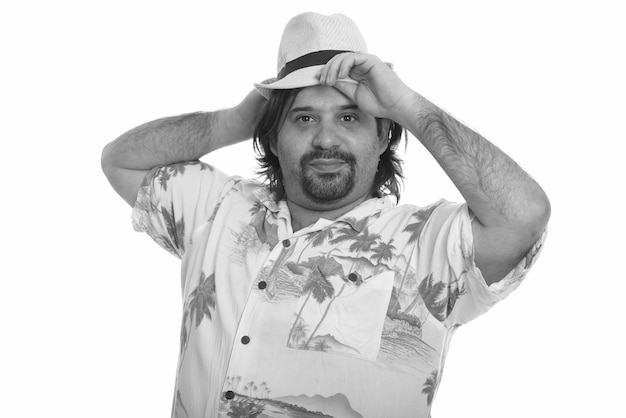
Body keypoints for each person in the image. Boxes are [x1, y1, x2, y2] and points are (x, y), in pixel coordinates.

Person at [101, 12, 550, 418]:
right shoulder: (217, 208)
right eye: (304, 118)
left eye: (350, 118)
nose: (326, 139)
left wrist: (406, 105)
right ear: (273, 139)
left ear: (383, 137)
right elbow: (120, 159)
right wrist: (236, 121)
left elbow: (524, 214)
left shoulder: (425, 243)